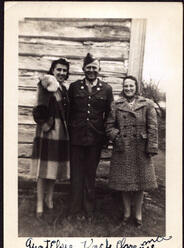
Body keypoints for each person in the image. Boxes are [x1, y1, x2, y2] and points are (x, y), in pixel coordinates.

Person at [105, 75, 158, 227]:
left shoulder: (147, 104)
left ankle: (138, 214)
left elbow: (153, 127)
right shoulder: (116, 105)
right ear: (123, 88)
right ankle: (127, 213)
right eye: (126, 86)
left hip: (141, 148)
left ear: (136, 88)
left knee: (140, 183)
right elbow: (109, 127)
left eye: (131, 86)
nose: (128, 88)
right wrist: (117, 137)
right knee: (124, 183)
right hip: (122, 148)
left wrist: (152, 146)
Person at [68, 53, 113, 220]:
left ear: (99, 69)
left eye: (94, 67)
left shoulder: (106, 89)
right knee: (76, 173)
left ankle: (88, 210)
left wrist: (107, 138)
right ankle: (74, 210)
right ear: (83, 69)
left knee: (90, 174)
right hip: (76, 138)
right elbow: (68, 112)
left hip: (95, 138)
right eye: (89, 68)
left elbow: (110, 115)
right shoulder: (74, 87)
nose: (91, 70)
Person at [32, 58, 70, 219]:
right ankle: (40, 204)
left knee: (52, 170)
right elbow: (39, 109)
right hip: (48, 133)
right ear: (52, 70)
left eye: (64, 70)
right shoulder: (46, 84)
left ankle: (49, 200)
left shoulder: (63, 89)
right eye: (58, 69)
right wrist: (46, 126)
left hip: (61, 133)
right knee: (43, 170)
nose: (61, 73)